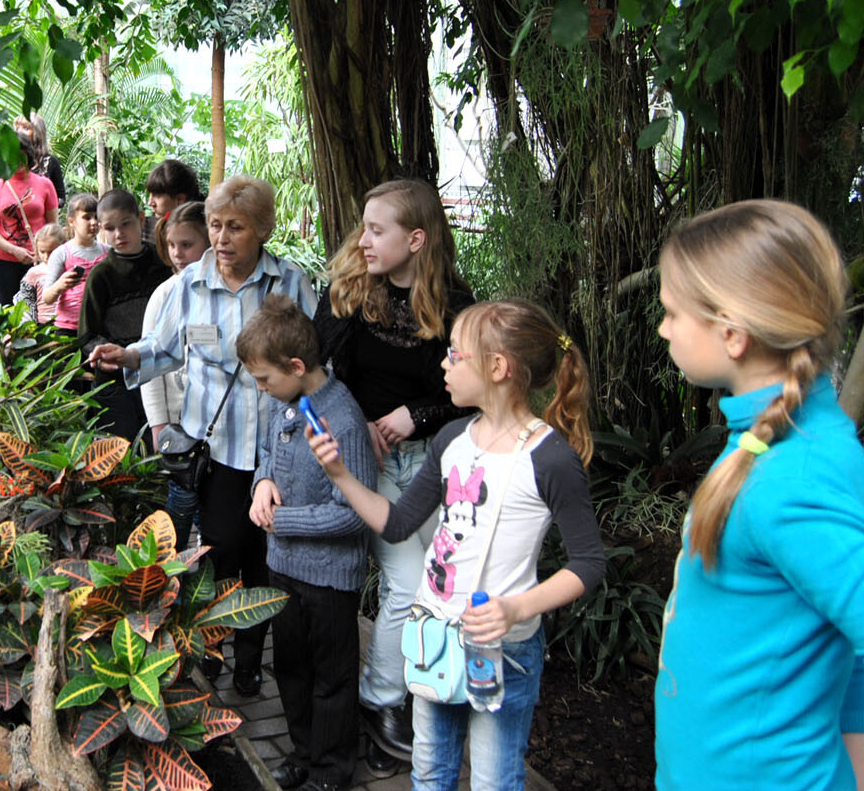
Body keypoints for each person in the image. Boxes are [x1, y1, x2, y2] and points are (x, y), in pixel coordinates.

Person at [653, 199, 864, 791]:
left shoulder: (791, 485)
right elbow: (845, 623)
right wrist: (858, 755)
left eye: (673, 313)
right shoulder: (790, 440)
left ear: (732, 333)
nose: (663, 329)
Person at [308, 299, 605, 791]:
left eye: (454, 354)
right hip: (436, 636)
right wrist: (340, 475)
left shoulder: (549, 457)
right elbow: (399, 523)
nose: (443, 363)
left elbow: (589, 563)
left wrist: (515, 609)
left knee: (493, 779)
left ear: (497, 367)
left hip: (502, 649)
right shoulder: (452, 439)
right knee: (430, 772)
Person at [89, 175, 317, 698]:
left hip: (278, 452)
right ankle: (211, 645)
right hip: (216, 451)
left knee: (265, 559)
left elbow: (313, 366)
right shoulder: (186, 286)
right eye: (215, 225)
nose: (221, 237)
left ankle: (250, 660)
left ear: (262, 229)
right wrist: (126, 356)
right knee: (218, 553)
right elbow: (162, 349)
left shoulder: (289, 285)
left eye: (235, 227)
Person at [314, 178, 474, 775]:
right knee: (407, 583)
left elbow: (471, 391)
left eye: (377, 230)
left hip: (430, 461)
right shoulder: (352, 291)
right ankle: (380, 704)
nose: (364, 240)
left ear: (417, 239)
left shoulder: (455, 304)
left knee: (434, 587)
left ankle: (415, 694)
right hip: (367, 462)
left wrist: (418, 415)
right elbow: (312, 370)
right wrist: (357, 427)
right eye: (364, 225)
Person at [241, 294, 377, 791]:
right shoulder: (287, 402)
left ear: (297, 366)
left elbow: (353, 515)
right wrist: (262, 483)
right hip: (285, 569)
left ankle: (331, 768)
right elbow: (268, 454)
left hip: (328, 578)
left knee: (332, 679)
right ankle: (302, 752)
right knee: (292, 668)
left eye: (264, 380)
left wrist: (285, 520)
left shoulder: (342, 418)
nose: (260, 390)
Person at [140, 201, 210, 540]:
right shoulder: (164, 295)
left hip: (216, 422)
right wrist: (158, 423)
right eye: (171, 246)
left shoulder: (221, 292)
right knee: (181, 503)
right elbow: (150, 365)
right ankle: (173, 576)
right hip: (179, 425)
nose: (178, 253)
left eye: (187, 245)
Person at [77, 189, 172, 441]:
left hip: (160, 375)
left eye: (126, 224)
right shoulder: (101, 276)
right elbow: (86, 336)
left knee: (158, 453)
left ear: (141, 219)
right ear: (100, 230)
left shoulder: (163, 263)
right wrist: (107, 354)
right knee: (118, 454)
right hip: (115, 384)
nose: (118, 234)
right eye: (109, 228)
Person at [0, 135, 59, 305]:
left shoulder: (45, 184)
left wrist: (47, 253)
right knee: (9, 312)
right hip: (4, 261)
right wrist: (13, 250)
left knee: (40, 311)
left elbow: (53, 227)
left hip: (39, 260)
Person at [42, 193, 107, 337]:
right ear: (72, 221)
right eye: (87, 217)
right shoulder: (62, 254)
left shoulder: (107, 252)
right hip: (68, 328)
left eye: (97, 217)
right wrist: (60, 284)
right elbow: (47, 297)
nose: (94, 222)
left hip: (100, 326)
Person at [143, 158, 204, 245]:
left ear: (179, 200)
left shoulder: (205, 234)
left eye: (157, 195)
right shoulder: (145, 228)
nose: (150, 203)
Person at [17, 224, 66, 326]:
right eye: (42, 252)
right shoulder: (34, 273)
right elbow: (27, 301)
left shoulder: (70, 269)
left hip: (66, 324)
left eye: (52, 251)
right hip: (43, 325)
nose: (47, 256)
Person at [15, 113, 66, 204]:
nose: (20, 132)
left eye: (26, 128)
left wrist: (42, 202)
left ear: (37, 133)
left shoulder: (50, 162)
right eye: (18, 128)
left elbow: (61, 198)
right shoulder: (4, 162)